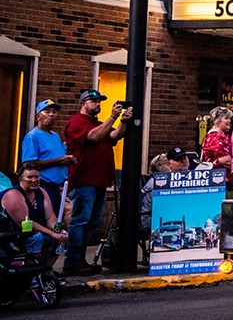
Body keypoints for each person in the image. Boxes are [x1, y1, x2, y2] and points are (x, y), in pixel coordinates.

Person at [63, 90, 132, 276]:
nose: (97, 104)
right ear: (83, 104)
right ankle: (72, 261)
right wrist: (112, 117)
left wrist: (123, 121)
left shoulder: (99, 124)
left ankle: (81, 260)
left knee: (92, 222)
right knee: (80, 221)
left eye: (99, 101)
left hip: (100, 181)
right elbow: (92, 137)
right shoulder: (75, 123)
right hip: (83, 180)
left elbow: (115, 136)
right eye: (93, 101)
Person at [0, 165, 68, 267]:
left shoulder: (41, 191)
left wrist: (58, 230)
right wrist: (52, 233)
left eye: (37, 177)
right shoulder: (13, 195)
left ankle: (46, 269)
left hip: (36, 230)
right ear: (21, 179)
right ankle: (32, 271)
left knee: (60, 239)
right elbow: (25, 223)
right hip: (14, 234)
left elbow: (49, 217)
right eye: (30, 177)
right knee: (37, 238)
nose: (34, 180)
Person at [19, 99, 75, 215]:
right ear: (38, 116)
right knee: (49, 218)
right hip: (44, 186)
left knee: (66, 214)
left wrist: (68, 160)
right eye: (47, 111)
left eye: (54, 112)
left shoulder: (55, 136)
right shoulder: (32, 137)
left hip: (60, 187)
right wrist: (58, 161)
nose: (51, 114)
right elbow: (28, 164)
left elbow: (58, 157)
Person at [140, 147, 191, 231]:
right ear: (169, 164)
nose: (183, 161)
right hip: (151, 218)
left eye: (184, 157)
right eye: (178, 159)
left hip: (175, 217)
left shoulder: (194, 177)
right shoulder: (159, 181)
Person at [201, 106, 233, 172]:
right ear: (217, 121)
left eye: (230, 118)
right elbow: (227, 161)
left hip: (226, 177)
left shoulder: (224, 136)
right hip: (217, 178)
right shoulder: (214, 137)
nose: (229, 121)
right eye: (226, 118)